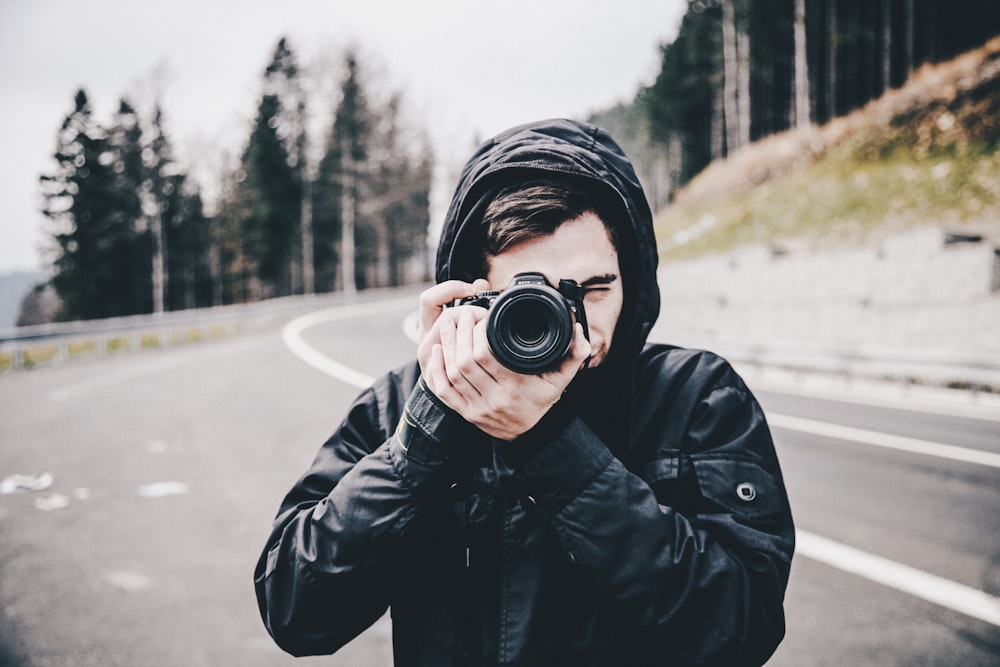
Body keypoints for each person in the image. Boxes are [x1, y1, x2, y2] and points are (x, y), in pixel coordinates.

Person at [254, 118, 795, 666]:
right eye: (531, 300)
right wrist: (429, 431)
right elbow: (295, 612)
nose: (573, 323)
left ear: (633, 281)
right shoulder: (403, 407)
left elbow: (740, 628)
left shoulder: (696, 397)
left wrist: (551, 443)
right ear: (471, 294)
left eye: (594, 289)